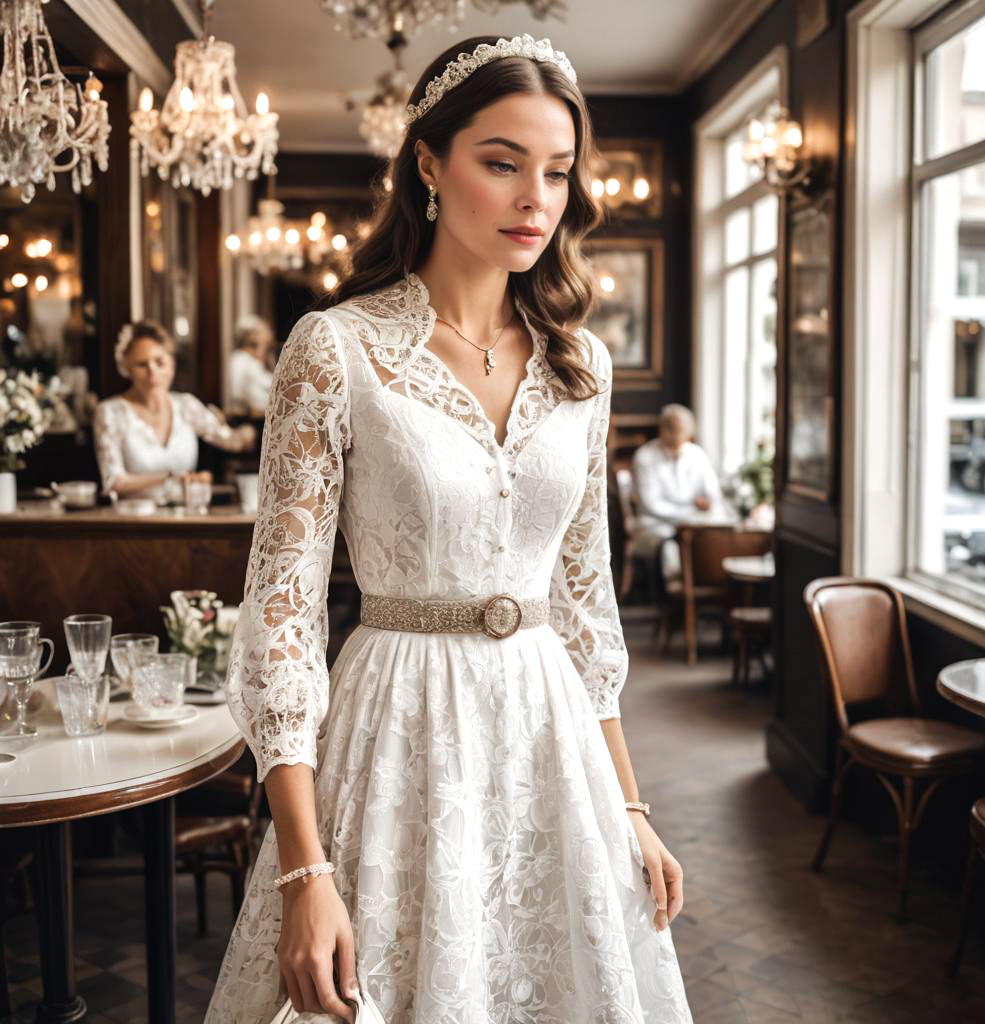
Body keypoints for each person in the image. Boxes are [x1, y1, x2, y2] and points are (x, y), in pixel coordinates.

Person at [206, 34, 692, 1024]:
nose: (534, 199)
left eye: (556, 172)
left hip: (553, 738)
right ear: (428, 163)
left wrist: (630, 807)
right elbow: (282, 621)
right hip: (398, 728)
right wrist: (305, 872)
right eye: (501, 162)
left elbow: (585, 608)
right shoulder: (335, 349)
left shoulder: (580, 366)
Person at [93, 320, 257, 501]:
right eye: (142, 364)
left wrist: (247, 433)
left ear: (172, 364)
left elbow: (232, 441)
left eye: (159, 362)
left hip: (187, 518)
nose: (152, 371)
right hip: (132, 521)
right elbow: (112, 482)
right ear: (126, 368)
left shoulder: (187, 406)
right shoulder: (109, 413)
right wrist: (170, 476)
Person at [632, 403, 722, 581]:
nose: (674, 435)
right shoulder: (645, 456)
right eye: (670, 429)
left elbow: (713, 495)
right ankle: (675, 593)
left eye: (680, 430)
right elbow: (652, 505)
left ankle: (706, 587)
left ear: (690, 432)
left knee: (714, 541)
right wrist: (689, 513)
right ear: (661, 429)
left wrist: (708, 503)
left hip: (696, 524)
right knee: (671, 546)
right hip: (656, 524)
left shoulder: (698, 455)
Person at [227, 314, 276, 417]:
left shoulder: (262, 360)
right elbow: (237, 395)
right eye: (262, 331)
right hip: (253, 420)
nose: (269, 334)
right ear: (250, 336)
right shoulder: (239, 359)